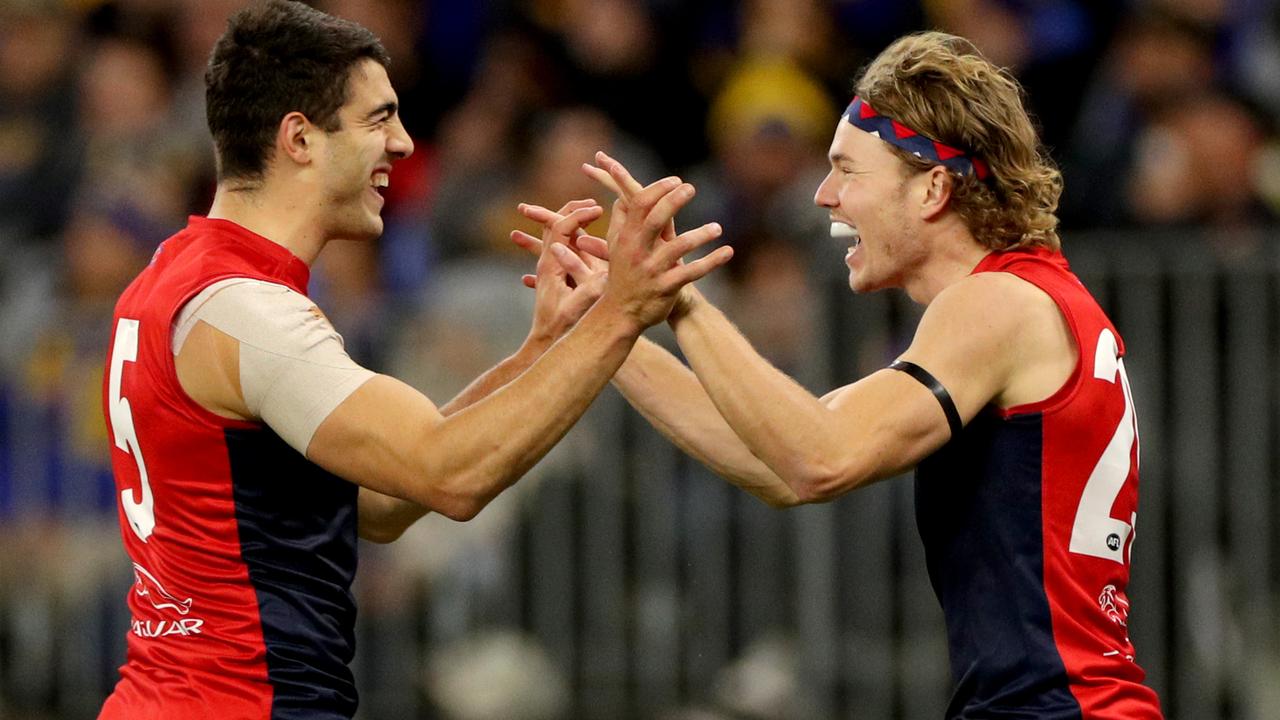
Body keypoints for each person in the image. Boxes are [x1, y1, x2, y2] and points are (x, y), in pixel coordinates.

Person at [96, 2, 731, 718]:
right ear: (299, 139)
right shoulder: (252, 314)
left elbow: (385, 499)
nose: (402, 143)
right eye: (378, 119)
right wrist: (622, 311)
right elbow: (450, 473)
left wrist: (541, 351)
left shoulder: (175, 279)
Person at [518, 31, 1163, 719]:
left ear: (933, 187)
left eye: (847, 170)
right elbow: (770, 454)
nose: (824, 195)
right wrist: (609, 321)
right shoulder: (1027, 302)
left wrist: (679, 298)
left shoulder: (995, 304)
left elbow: (815, 459)